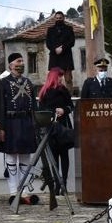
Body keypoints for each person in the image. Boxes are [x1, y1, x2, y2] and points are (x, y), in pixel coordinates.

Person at [0, 53, 39, 205]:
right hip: (10, 123)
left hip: (26, 123)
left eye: (22, 61)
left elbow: (34, 106)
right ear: (11, 65)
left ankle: (24, 192)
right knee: (12, 157)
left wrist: (35, 125)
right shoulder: (3, 83)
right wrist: (0, 128)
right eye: (18, 61)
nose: (21, 63)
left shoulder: (28, 82)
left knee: (25, 156)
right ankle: (13, 192)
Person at [37, 67, 74, 195]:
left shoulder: (63, 90)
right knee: (53, 157)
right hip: (50, 128)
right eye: (59, 76)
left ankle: (63, 183)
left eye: (62, 76)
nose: (61, 78)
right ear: (54, 77)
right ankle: (57, 184)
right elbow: (41, 110)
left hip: (63, 127)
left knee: (64, 156)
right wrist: (53, 113)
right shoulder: (45, 92)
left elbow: (71, 106)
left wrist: (64, 110)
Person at [45, 11, 76, 92]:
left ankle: (69, 99)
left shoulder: (69, 29)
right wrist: (55, 49)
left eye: (60, 18)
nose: (58, 19)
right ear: (55, 19)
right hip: (55, 58)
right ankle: (54, 98)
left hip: (66, 58)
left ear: (63, 18)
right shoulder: (50, 30)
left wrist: (63, 48)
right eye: (57, 18)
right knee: (53, 80)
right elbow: (48, 43)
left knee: (68, 80)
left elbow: (72, 42)